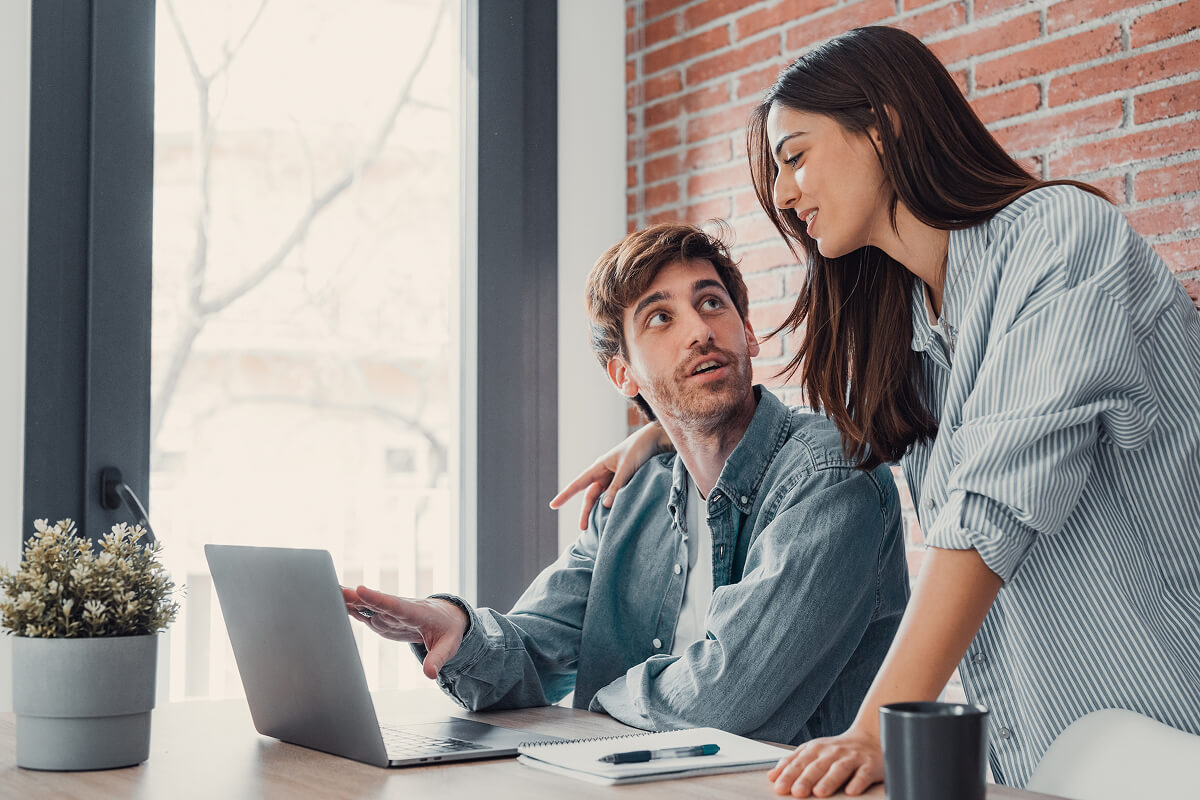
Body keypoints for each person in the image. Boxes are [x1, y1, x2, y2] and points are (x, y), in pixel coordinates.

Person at [554, 25, 1200, 798]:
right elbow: (812, 444)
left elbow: (991, 503)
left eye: (794, 156)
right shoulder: (911, 331)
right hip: (1043, 749)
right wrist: (668, 433)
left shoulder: (1060, 240)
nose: (786, 196)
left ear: (884, 124)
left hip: (1171, 727)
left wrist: (876, 727)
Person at [344, 222, 910, 746]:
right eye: (660, 318)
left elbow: (721, 700)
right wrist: (456, 627)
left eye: (711, 303)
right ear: (623, 373)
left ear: (749, 333)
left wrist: (591, 706)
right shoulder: (633, 495)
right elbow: (531, 655)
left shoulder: (829, 476)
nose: (699, 330)